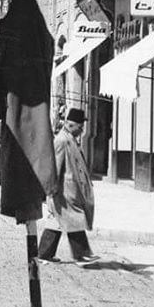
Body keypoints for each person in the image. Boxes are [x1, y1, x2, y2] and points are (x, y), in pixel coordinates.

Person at [37, 108, 98, 267]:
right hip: (64, 190)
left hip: (68, 190)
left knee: (57, 222)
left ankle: (45, 254)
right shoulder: (62, 140)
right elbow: (55, 167)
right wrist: (51, 189)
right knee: (75, 219)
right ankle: (81, 255)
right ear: (72, 125)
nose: (82, 130)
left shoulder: (69, 138)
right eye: (80, 126)